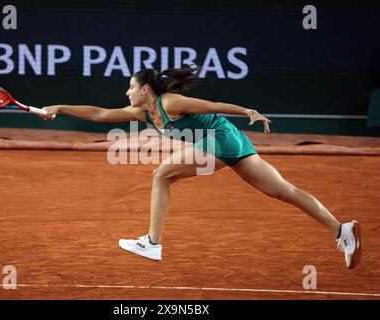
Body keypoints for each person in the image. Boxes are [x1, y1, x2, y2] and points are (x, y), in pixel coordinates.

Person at [42, 66, 361, 269]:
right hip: (231, 142)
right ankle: (340, 229)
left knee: (161, 174)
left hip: (222, 138)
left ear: (145, 90)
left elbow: (212, 106)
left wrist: (248, 110)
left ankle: (152, 243)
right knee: (283, 192)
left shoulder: (169, 103)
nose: (126, 93)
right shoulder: (144, 113)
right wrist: (59, 107)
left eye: (130, 87)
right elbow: (100, 114)